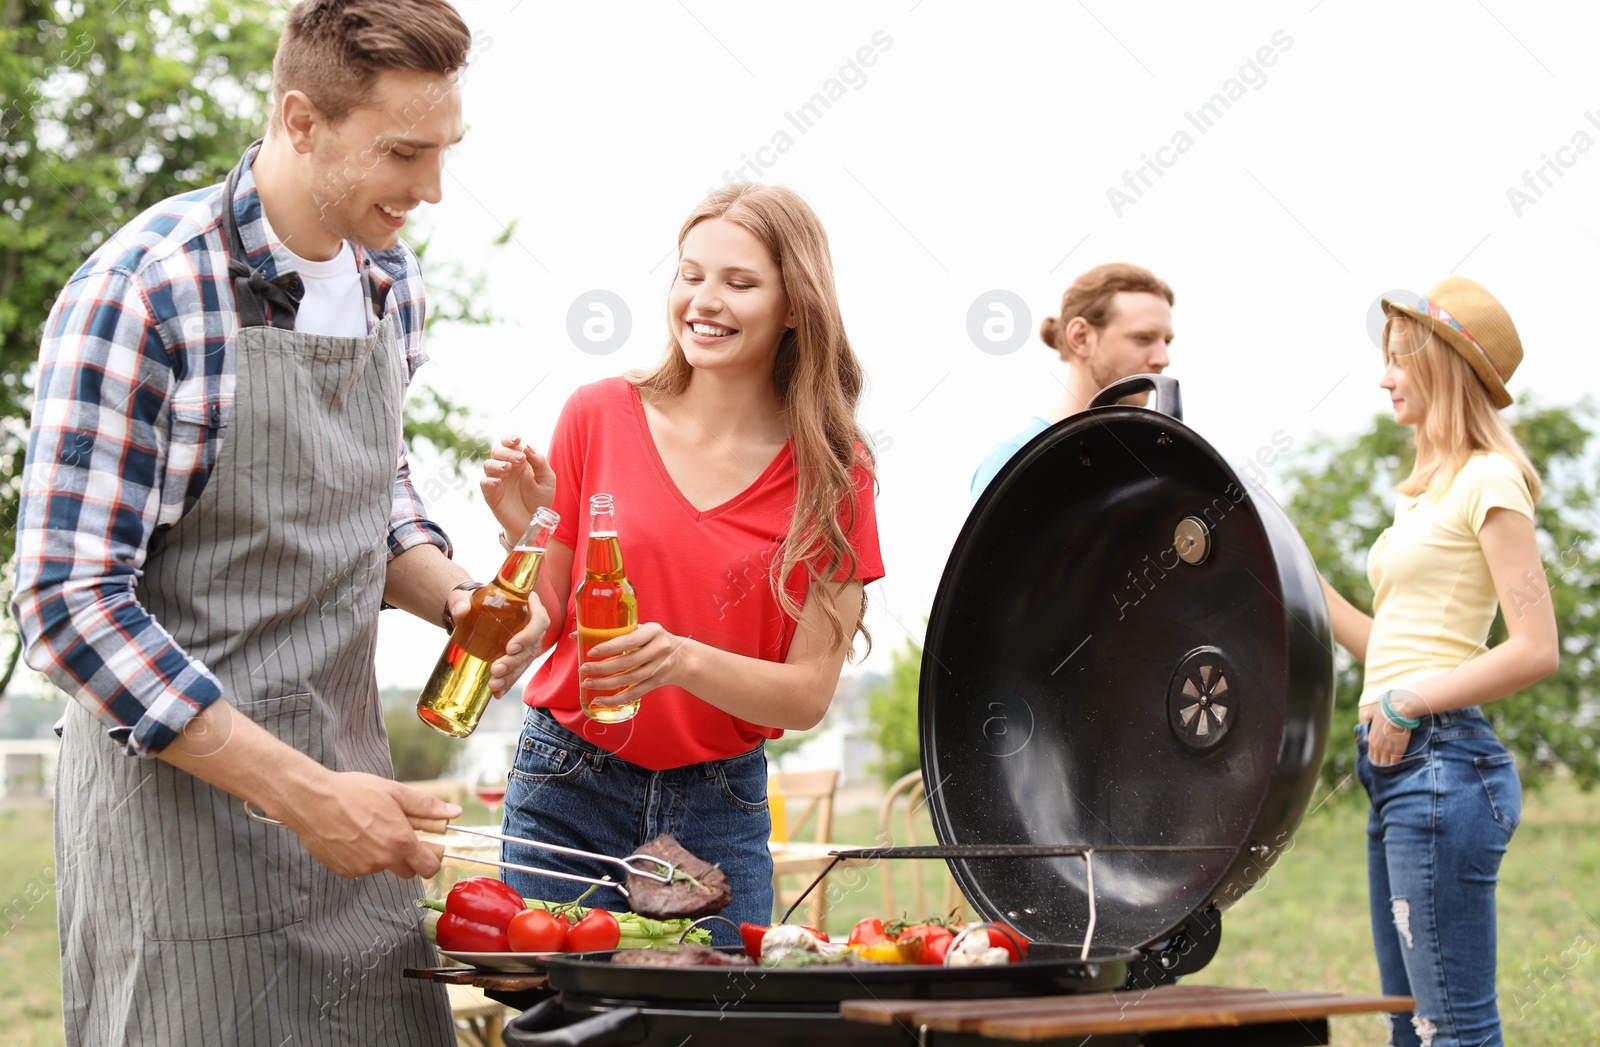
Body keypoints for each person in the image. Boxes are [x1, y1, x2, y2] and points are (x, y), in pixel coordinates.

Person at [9, 3, 546, 1044]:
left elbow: (373, 490)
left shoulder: (390, 279)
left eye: (446, 151)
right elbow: (65, 604)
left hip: (356, 815)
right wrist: (302, 797)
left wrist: (455, 597)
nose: (433, 189)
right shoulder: (146, 290)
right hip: (184, 847)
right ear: (301, 121)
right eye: (403, 152)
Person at [479, 184, 883, 943]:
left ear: (795, 305)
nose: (705, 300)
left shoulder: (835, 473)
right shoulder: (596, 413)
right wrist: (520, 539)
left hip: (716, 803)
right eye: (690, 274)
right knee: (553, 1014)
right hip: (567, 777)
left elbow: (805, 696)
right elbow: (552, 609)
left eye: (739, 283)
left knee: (704, 1020)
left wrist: (681, 658)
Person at [1318, 277, 1559, 1047]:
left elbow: (1535, 646)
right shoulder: (1423, 495)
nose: (1384, 376)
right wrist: (1292, 573)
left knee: (1448, 1030)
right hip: (1397, 767)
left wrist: (1406, 703)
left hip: (1440, 763)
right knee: (1412, 1028)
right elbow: (1389, 646)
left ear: (1444, 366)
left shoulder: (1492, 478)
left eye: (1397, 360)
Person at [969, 262, 1174, 500]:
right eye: (1143, 338)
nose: (1163, 359)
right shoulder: (1015, 461)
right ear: (1081, 338)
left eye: (1166, 341)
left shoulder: (1148, 464)